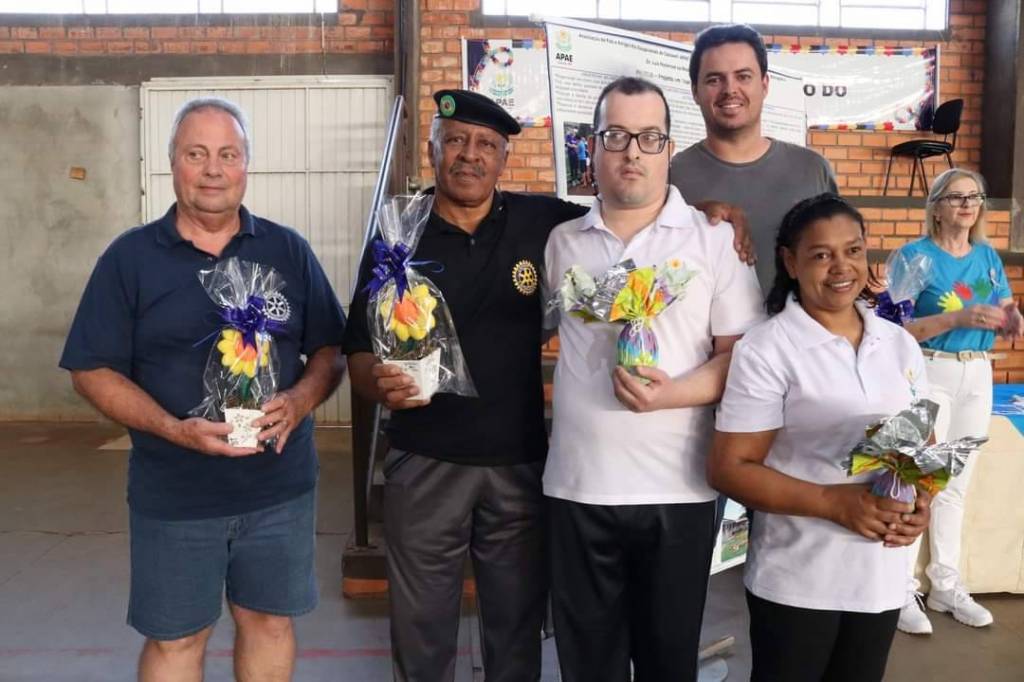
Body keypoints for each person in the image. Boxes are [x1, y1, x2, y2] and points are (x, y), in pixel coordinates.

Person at [59, 97, 347, 682]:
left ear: (246, 165)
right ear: (173, 163)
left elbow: (330, 349)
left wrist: (299, 401)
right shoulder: (130, 258)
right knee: (178, 639)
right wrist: (173, 429)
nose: (213, 169)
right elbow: (91, 368)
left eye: (228, 154)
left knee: (269, 623)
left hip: (279, 488)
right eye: (197, 154)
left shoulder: (286, 250)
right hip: (175, 491)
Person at [344, 89, 589, 682]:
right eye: (454, 140)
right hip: (424, 463)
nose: (469, 155)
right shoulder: (397, 237)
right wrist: (379, 381)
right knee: (421, 636)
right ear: (432, 151)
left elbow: (629, 215)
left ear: (504, 158)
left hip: (519, 466)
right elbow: (357, 351)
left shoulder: (543, 221)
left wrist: (710, 208)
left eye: (485, 144)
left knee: (516, 634)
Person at [544, 76, 765, 682]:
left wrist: (672, 394)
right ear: (592, 147)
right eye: (615, 136)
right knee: (587, 666)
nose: (632, 152)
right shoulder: (562, 243)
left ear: (669, 148)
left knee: (668, 662)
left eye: (649, 137)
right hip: (578, 486)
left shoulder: (713, 241)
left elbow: (742, 359)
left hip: (678, 489)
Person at [709, 193, 932, 682]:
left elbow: (921, 443)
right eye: (821, 255)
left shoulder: (898, 344)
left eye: (853, 250)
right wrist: (834, 502)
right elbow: (730, 468)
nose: (841, 267)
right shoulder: (767, 349)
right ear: (790, 262)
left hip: (880, 577)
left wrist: (921, 504)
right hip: (799, 579)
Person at [894, 169, 1024, 634]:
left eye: (975, 196)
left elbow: (1005, 306)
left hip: (978, 370)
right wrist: (957, 319)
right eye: (956, 197)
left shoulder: (986, 255)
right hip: (929, 371)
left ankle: (946, 584)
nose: (968, 204)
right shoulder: (914, 256)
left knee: (956, 484)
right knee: (918, 480)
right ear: (936, 206)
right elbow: (894, 330)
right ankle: (899, 590)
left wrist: (1012, 318)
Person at [671, 23, 837, 290]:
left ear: (765, 84)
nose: (730, 89)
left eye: (743, 76)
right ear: (695, 91)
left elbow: (839, 259)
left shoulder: (812, 170)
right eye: (714, 79)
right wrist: (696, 213)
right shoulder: (670, 175)